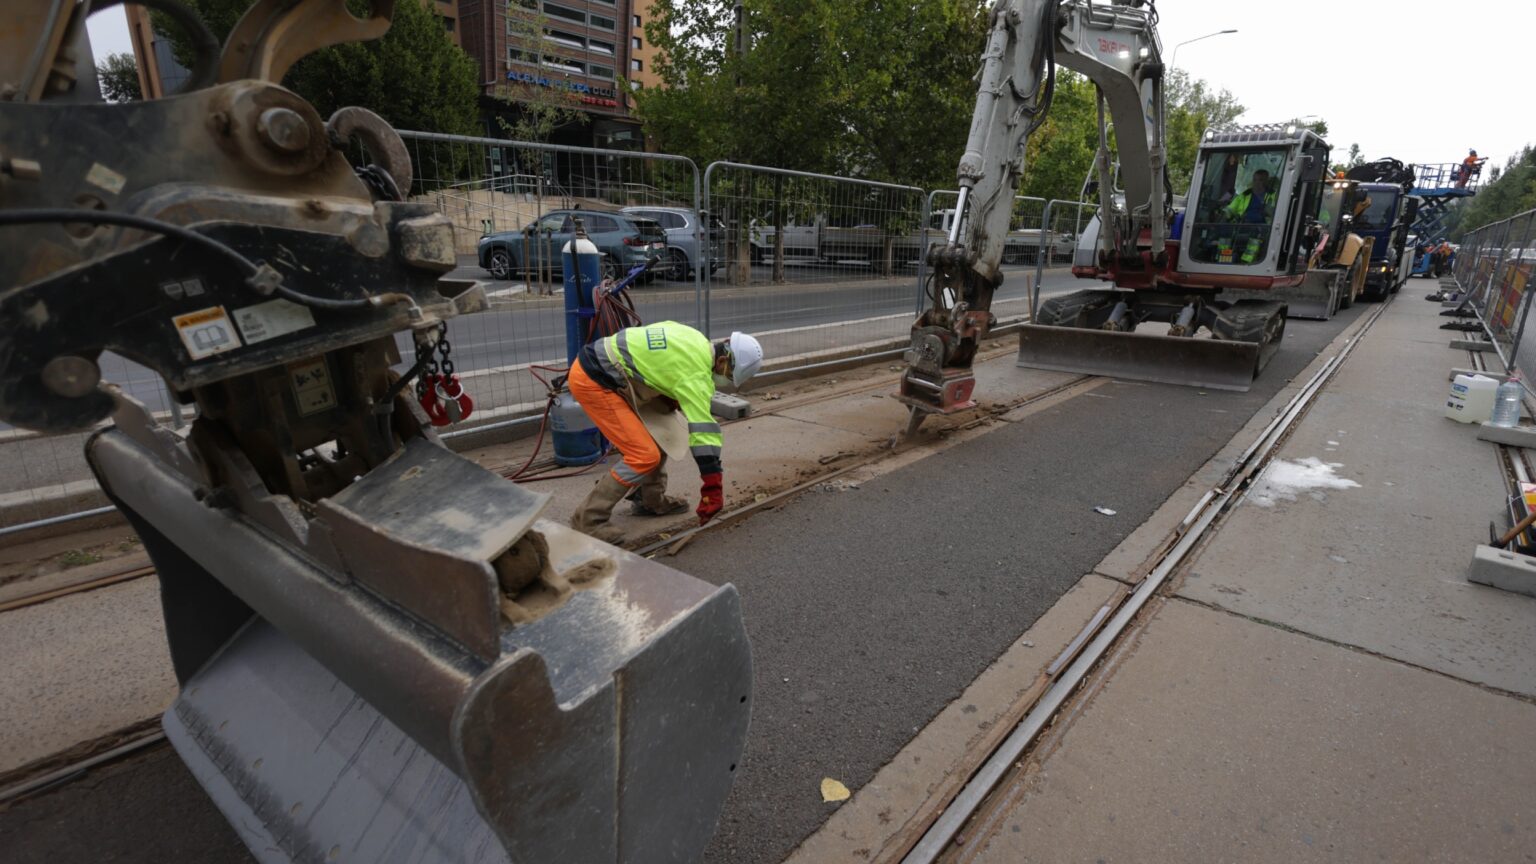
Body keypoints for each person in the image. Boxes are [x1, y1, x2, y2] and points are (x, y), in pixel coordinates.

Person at [567, 321, 763, 543]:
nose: (724, 382)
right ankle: (588, 519)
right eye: (728, 376)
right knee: (643, 455)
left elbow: (657, 357)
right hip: (595, 381)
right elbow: (704, 434)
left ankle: (650, 500)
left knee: (662, 430)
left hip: (608, 369)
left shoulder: (695, 338)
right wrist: (712, 487)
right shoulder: (696, 376)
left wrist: (667, 392)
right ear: (721, 360)